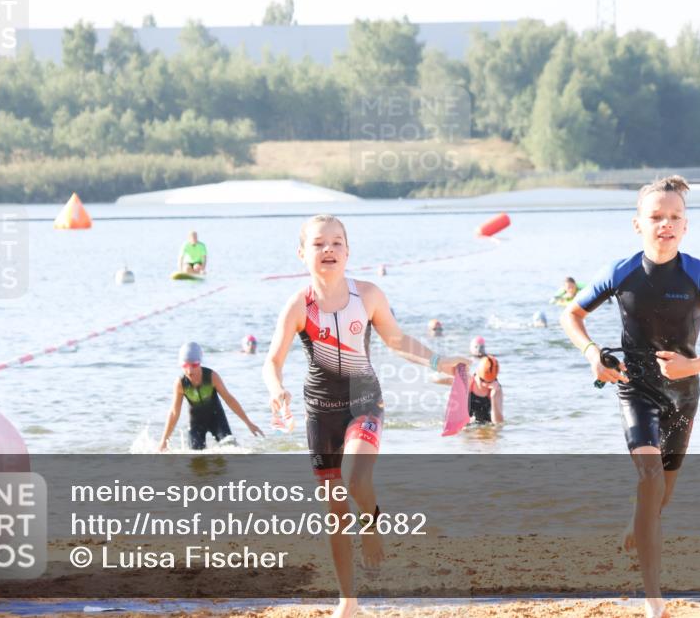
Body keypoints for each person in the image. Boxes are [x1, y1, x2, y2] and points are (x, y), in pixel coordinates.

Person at [559, 176, 700, 618]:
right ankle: (653, 599)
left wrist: (693, 366)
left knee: (661, 494)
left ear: (686, 226)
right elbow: (571, 314)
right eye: (656, 217)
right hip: (635, 387)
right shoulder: (620, 271)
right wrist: (591, 353)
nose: (665, 224)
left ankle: (638, 521)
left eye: (674, 217)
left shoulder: (699, 274)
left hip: (684, 393)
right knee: (649, 480)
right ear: (637, 224)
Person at [263, 214, 466, 618]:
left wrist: (439, 361)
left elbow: (396, 340)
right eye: (319, 244)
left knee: (356, 479)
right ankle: (348, 602)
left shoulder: (368, 295)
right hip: (320, 413)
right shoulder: (298, 305)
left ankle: (371, 523)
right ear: (302, 253)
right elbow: (272, 358)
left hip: (364, 402)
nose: (329, 250)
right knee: (336, 510)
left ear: (348, 251)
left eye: (337, 242)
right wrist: (276, 390)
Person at [158, 342, 263, 451]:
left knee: (231, 449)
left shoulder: (212, 377)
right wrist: (164, 440)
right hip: (195, 423)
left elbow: (229, 400)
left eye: (194, 365)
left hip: (217, 419)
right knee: (196, 461)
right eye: (185, 366)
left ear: (200, 362)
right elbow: (174, 412)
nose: (189, 371)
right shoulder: (180, 383)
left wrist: (248, 423)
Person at [468, 355, 503, 424]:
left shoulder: (496, 389)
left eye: (489, 382)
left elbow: (498, 423)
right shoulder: (468, 383)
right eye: (482, 381)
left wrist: (493, 398)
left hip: (486, 425)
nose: (485, 384)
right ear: (477, 374)